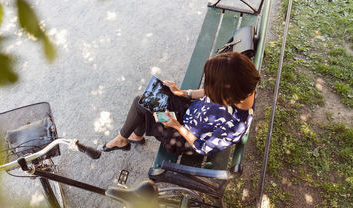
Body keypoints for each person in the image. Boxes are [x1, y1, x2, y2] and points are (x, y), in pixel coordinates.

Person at [100, 51, 261, 156]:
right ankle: (133, 136)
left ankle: (127, 137)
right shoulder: (241, 85)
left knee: (142, 106)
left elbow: (202, 147)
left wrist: (176, 125)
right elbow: (208, 91)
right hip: (189, 110)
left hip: (184, 137)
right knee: (148, 98)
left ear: (228, 95)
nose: (209, 89)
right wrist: (182, 93)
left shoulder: (234, 126)